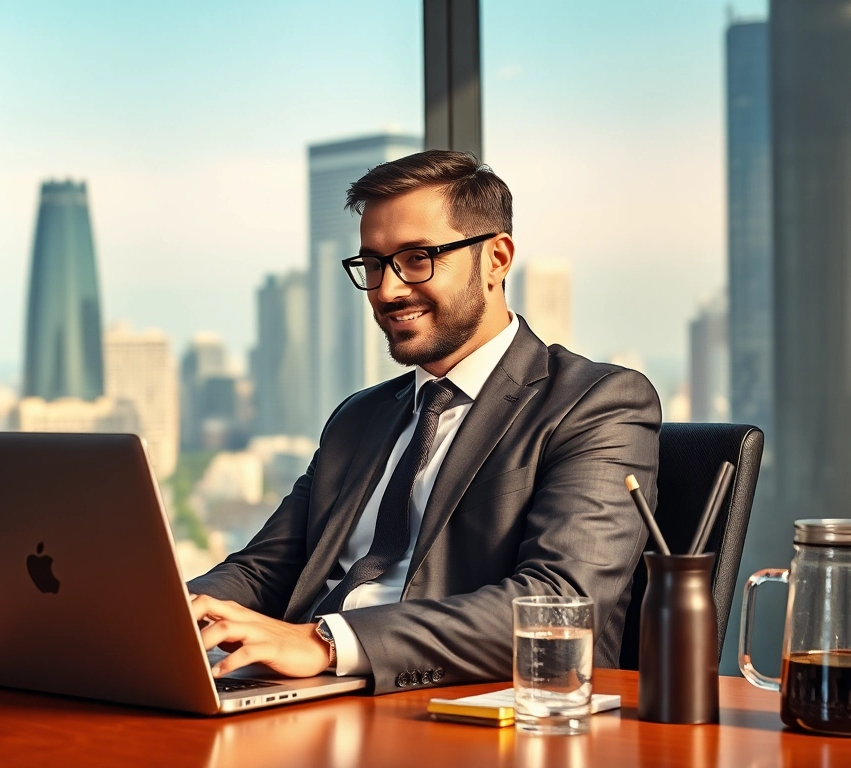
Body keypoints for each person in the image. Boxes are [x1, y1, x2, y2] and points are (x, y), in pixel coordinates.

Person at [187, 150, 661, 695]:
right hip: (309, 696)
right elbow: (265, 569)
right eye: (372, 264)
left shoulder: (597, 403)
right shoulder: (358, 417)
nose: (387, 291)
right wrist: (171, 616)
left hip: (473, 709)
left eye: (417, 259)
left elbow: (558, 603)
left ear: (496, 259)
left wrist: (324, 643)